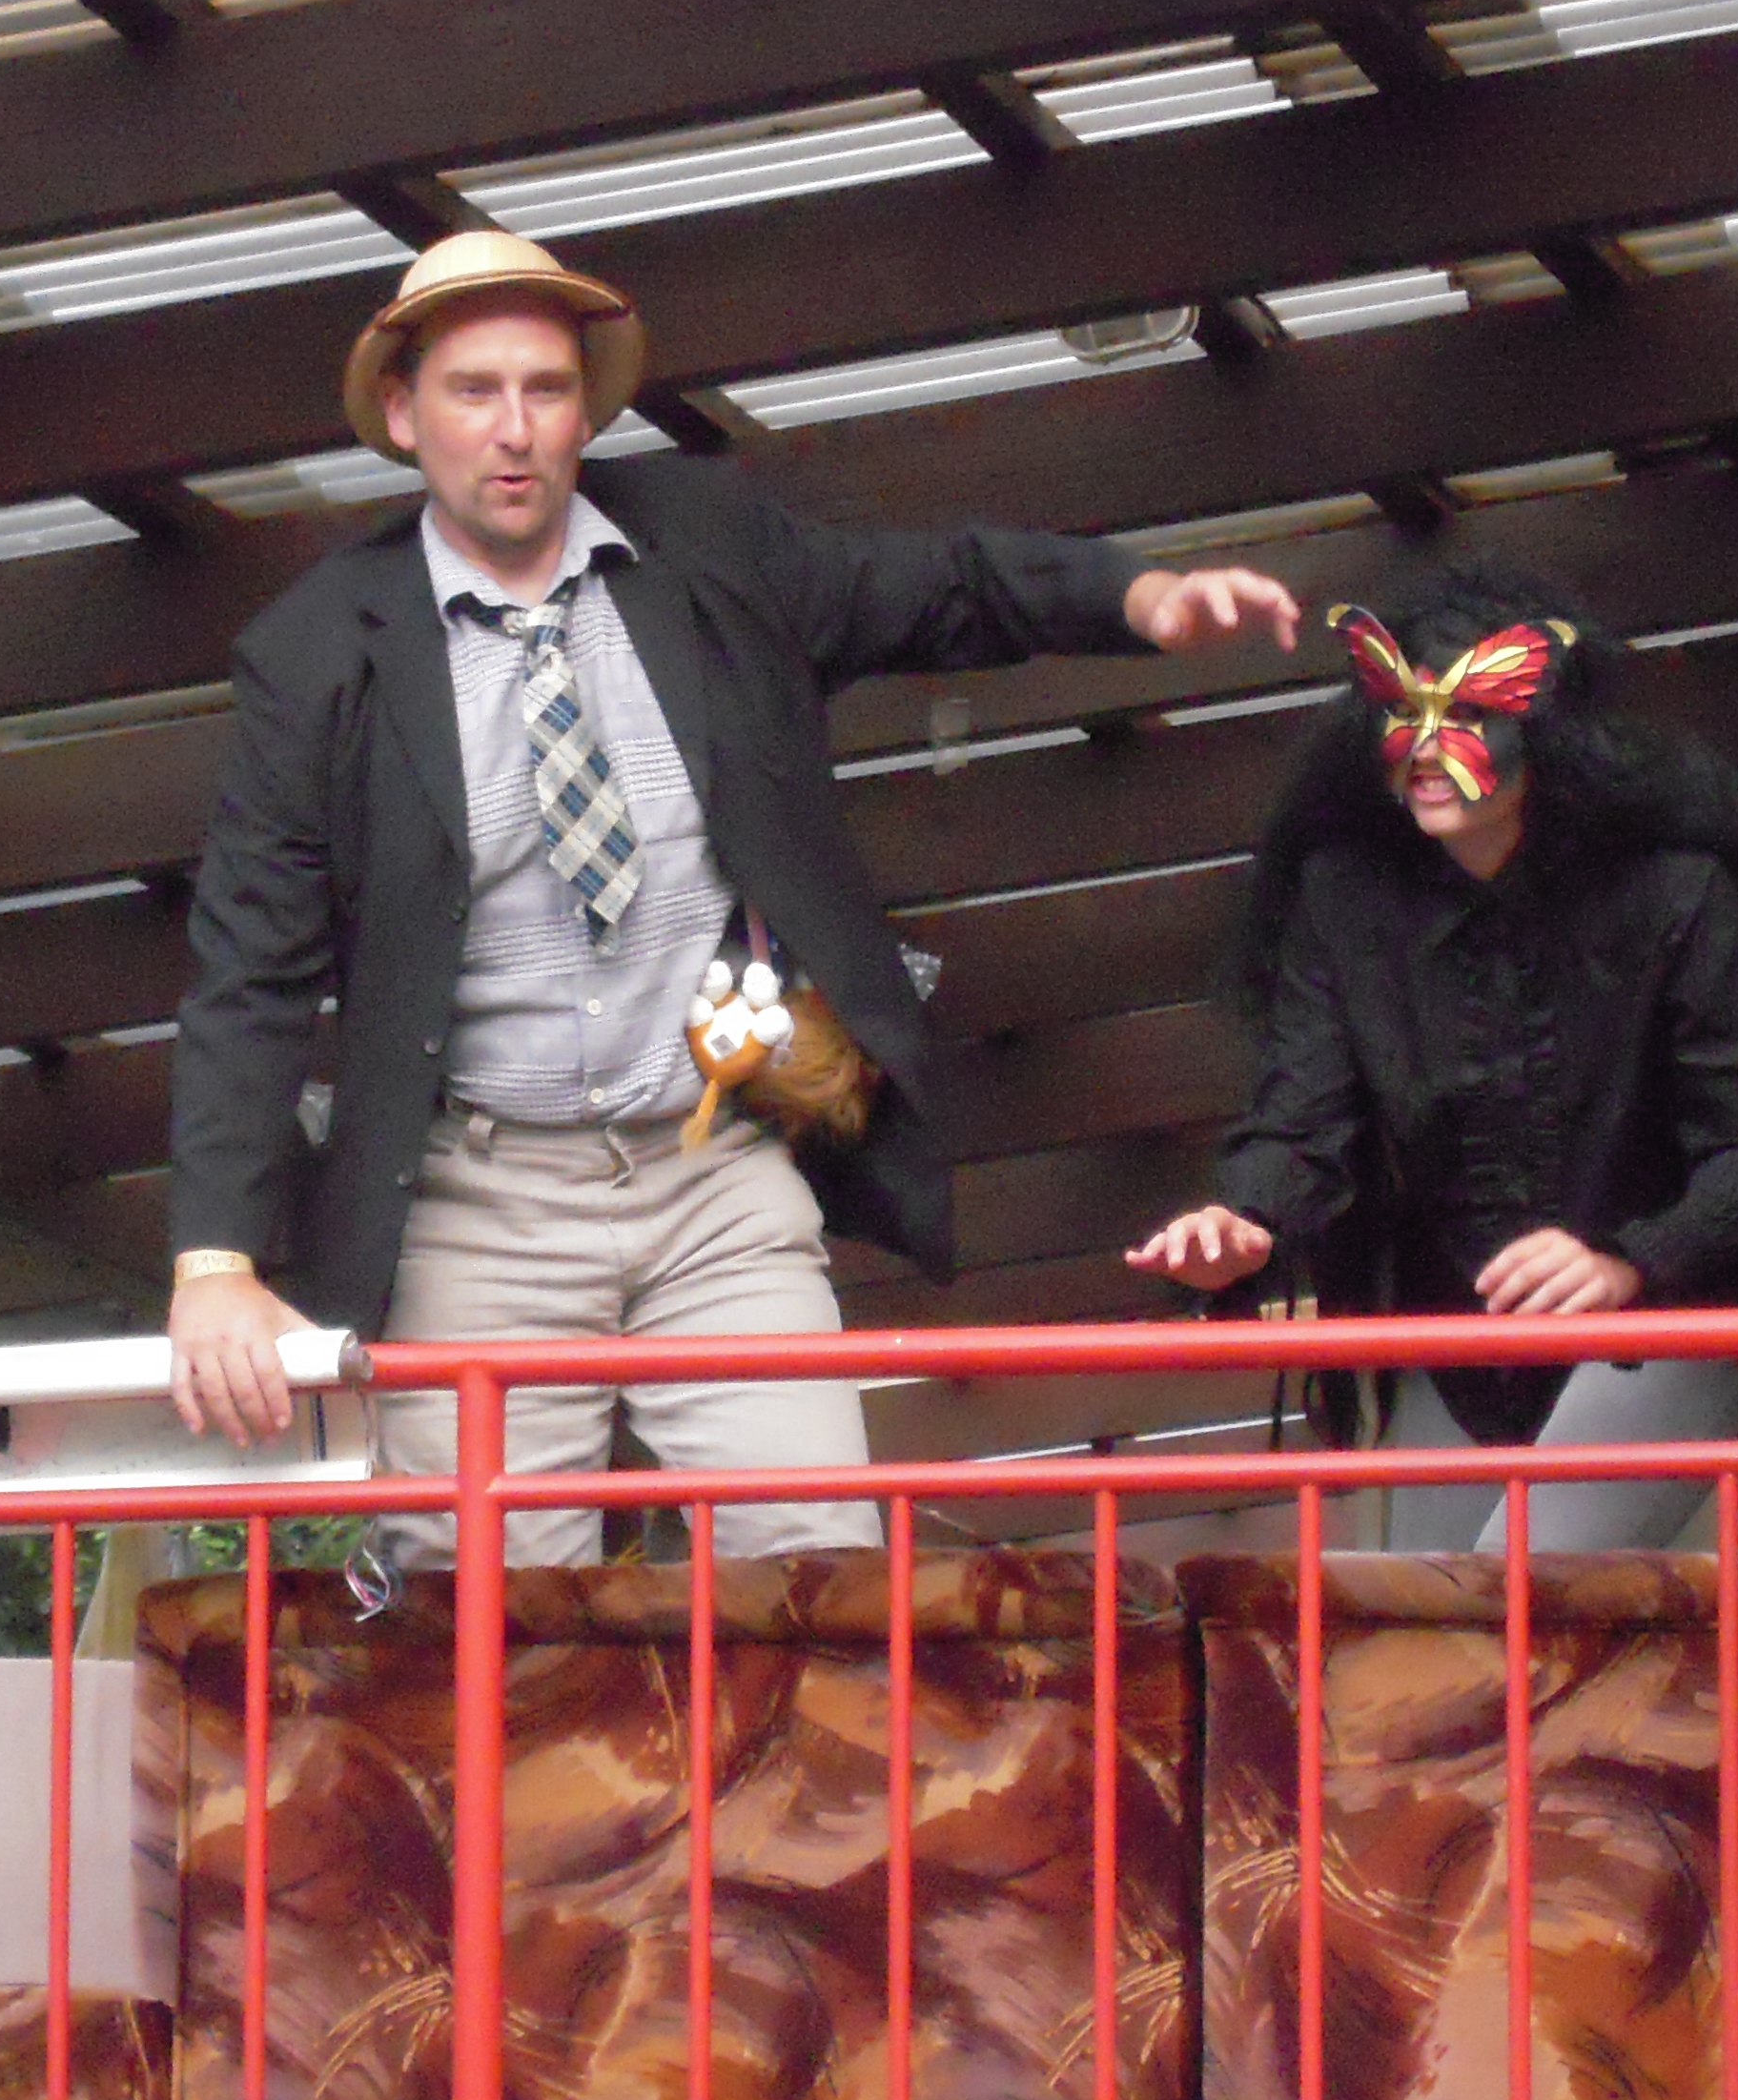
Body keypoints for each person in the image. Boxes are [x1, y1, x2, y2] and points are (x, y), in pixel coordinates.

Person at [167, 230, 1303, 1565]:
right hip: (477, 1205)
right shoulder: (315, 651)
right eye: (474, 391)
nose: (515, 428)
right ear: (405, 416)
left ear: (587, 409)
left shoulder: (705, 541)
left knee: (818, 1574)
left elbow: (928, 589)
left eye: (546, 388)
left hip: (716, 1168)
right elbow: (250, 972)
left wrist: (1138, 596)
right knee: (491, 1625)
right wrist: (214, 1264)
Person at [1126, 561, 1738, 1553]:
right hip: (1461, 1355)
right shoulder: (1345, 903)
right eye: (1400, 712)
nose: (1425, 747)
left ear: (1548, 732)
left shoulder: (1674, 894)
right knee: (1425, 1630)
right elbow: (1302, 1121)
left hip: (1666, 1327)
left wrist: (1629, 1260)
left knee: (1501, 1607)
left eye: (1466, 714)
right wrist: (1243, 1222)